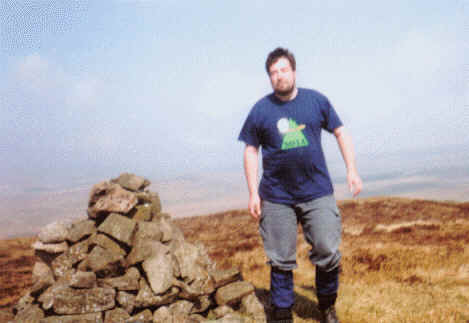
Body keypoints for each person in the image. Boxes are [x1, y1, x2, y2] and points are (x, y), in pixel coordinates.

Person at [238, 47, 362, 323]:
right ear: (269, 77)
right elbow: (250, 150)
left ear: (294, 71)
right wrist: (252, 193)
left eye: (283, 70)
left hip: (317, 191)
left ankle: (327, 306)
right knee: (280, 258)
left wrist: (351, 170)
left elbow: (341, 132)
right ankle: (282, 313)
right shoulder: (260, 110)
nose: (279, 76)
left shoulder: (316, 101)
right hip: (275, 196)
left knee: (328, 251)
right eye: (273, 72)